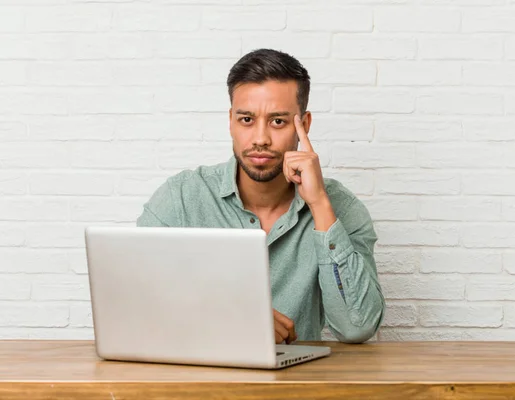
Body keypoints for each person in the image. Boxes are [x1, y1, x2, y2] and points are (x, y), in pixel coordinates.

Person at [137, 48, 384, 344]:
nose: (260, 139)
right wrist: (234, 318)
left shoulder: (339, 206)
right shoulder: (181, 197)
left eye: (278, 121)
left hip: (297, 385)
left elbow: (357, 327)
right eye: (246, 120)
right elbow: (136, 302)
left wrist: (319, 204)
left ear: (303, 126)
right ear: (231, 121)